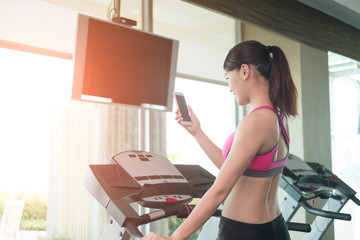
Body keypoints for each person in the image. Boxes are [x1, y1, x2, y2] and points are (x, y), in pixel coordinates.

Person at [140, 40, 297, 240]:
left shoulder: (255, 122)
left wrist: (174, 238)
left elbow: (221, 189)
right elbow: (233, 169)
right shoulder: (279, 118)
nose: (229, 86)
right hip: (274, 228)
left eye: (227, 77)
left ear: (244, 71)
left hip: (244, 233)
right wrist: (197, 132)